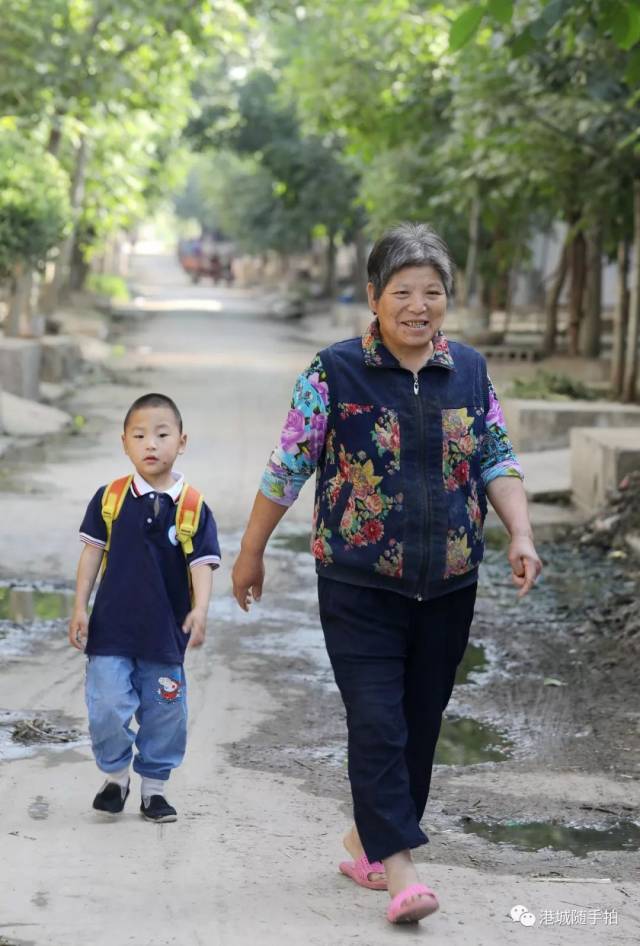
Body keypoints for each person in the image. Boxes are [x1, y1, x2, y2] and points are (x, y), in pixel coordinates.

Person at [232, 223, 542, 924]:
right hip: (358, 583)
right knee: (377, 723)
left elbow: (496, 456)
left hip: (449, 584)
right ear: (374, 297)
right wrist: (250, 551)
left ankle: (365, 840)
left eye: (432, 292)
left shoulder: (468, 371)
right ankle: (401, 871)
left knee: (421, 722)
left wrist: (520, 531)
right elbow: (287, 467)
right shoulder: (332, 372)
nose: (418, 305)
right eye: (402, 291)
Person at [68, 393, 221, 823]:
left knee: (164, 715)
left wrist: (201, 609)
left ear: (182, 441)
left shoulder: (192, 507)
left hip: (163, 636)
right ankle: (116, 776)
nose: (150, 444)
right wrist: (80, 606)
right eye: (139, 435)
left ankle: (154, 790)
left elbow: (203, 565)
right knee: (106, 706)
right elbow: (92, 555)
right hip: (110, 631)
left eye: (161, 434)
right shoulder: (110, 499)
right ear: (125, 443)